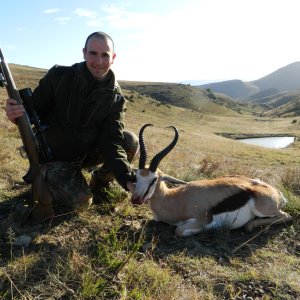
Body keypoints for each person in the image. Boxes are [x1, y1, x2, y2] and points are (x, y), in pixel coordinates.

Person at [5, 31, 139, 212]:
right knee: (82, 202)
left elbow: (111, 141)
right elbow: (33, 115)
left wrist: (129, 181)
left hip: (85, 155)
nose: (99, 62)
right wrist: (15, 115)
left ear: (113, 57)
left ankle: (100, 184)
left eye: (105, 55)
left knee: (130, 140)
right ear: (84, 52)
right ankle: (51, 176)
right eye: (93, 53)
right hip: (54, 156)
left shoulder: (116, 98)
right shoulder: (59, 77)